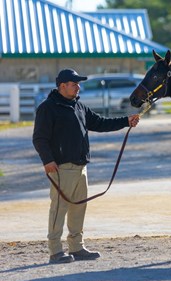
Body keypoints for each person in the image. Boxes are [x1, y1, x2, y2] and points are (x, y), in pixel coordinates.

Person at [33, 68, 140, 264]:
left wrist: (126, 121)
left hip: (81, 167)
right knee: (58, 209)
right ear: (62, 86)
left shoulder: (79, 106)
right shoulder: (47, 108)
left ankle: (76, 247)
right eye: (74, 84)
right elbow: (39, 138)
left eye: (78, 84)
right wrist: (47, 160)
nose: (78, 87)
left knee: (78, 208)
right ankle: (55, 251)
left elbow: (99, 123)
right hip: (60, 168)